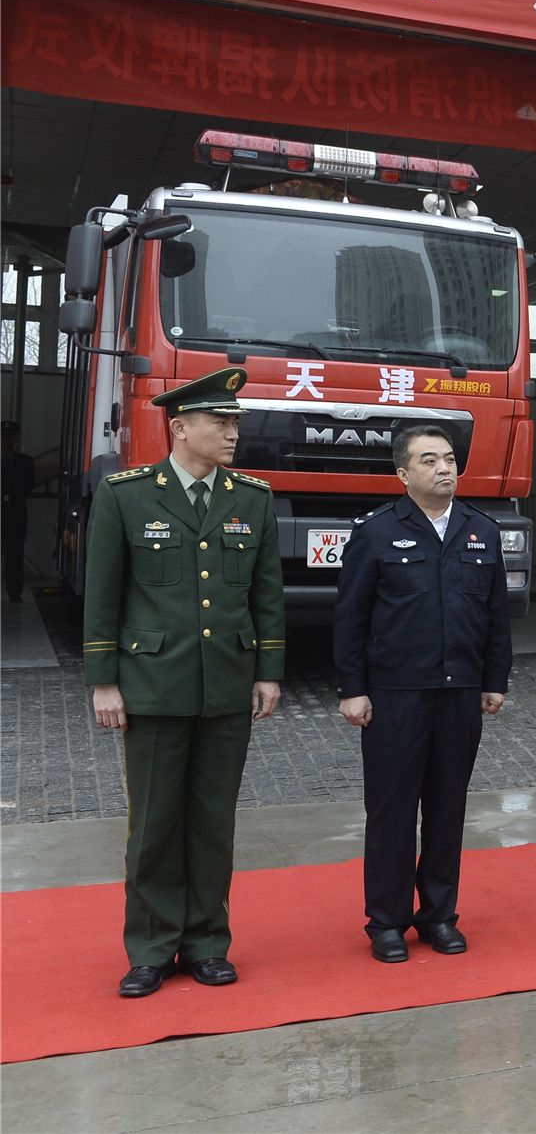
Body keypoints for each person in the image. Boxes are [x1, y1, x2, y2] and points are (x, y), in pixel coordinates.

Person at [84, 367, 283, 998]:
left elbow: (266, 594)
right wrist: (104, 681)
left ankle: (205, 942)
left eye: (234, 423)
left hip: (226, 681)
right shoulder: (126, 495)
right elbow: (103, 594)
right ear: (180, 428)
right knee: (154, 825)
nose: (232, 433)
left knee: (212, 821)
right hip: (154, 682)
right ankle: (149, 946)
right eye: (220, 422)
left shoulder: (251, 497)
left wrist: (268, 671)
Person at [333, 425, 511, 962]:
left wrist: (494, 680)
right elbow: (351, 618)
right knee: (391, 811)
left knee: (446, 808)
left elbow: (496, 617)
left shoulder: (482, 530)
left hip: (459, 694)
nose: (444, 468)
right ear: (403, 474)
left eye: (450, 459)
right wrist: (353, 690)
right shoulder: (377, 532)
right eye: (429, 460)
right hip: (395, 695)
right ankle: (386, 921)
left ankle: (439, 915)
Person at [2, 419, 34, 602]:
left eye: (10, 438)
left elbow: (28, 485)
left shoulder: (25, 462)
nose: (7, 441)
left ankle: (15, 591)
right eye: (4, 437)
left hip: (16, 513)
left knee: (15, 553)